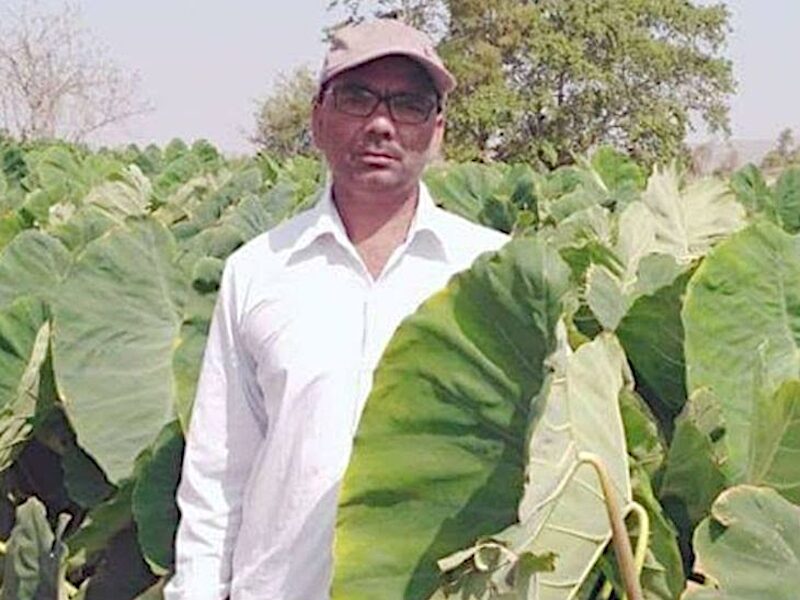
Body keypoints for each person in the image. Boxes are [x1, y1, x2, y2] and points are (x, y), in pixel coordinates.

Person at [164, 18, 508, 600]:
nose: (380, 123)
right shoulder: (258, 271)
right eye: (357, 97)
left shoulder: (488, 273)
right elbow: (218, 475)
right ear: (317, 118)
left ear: (438, 129)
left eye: (409, 104)